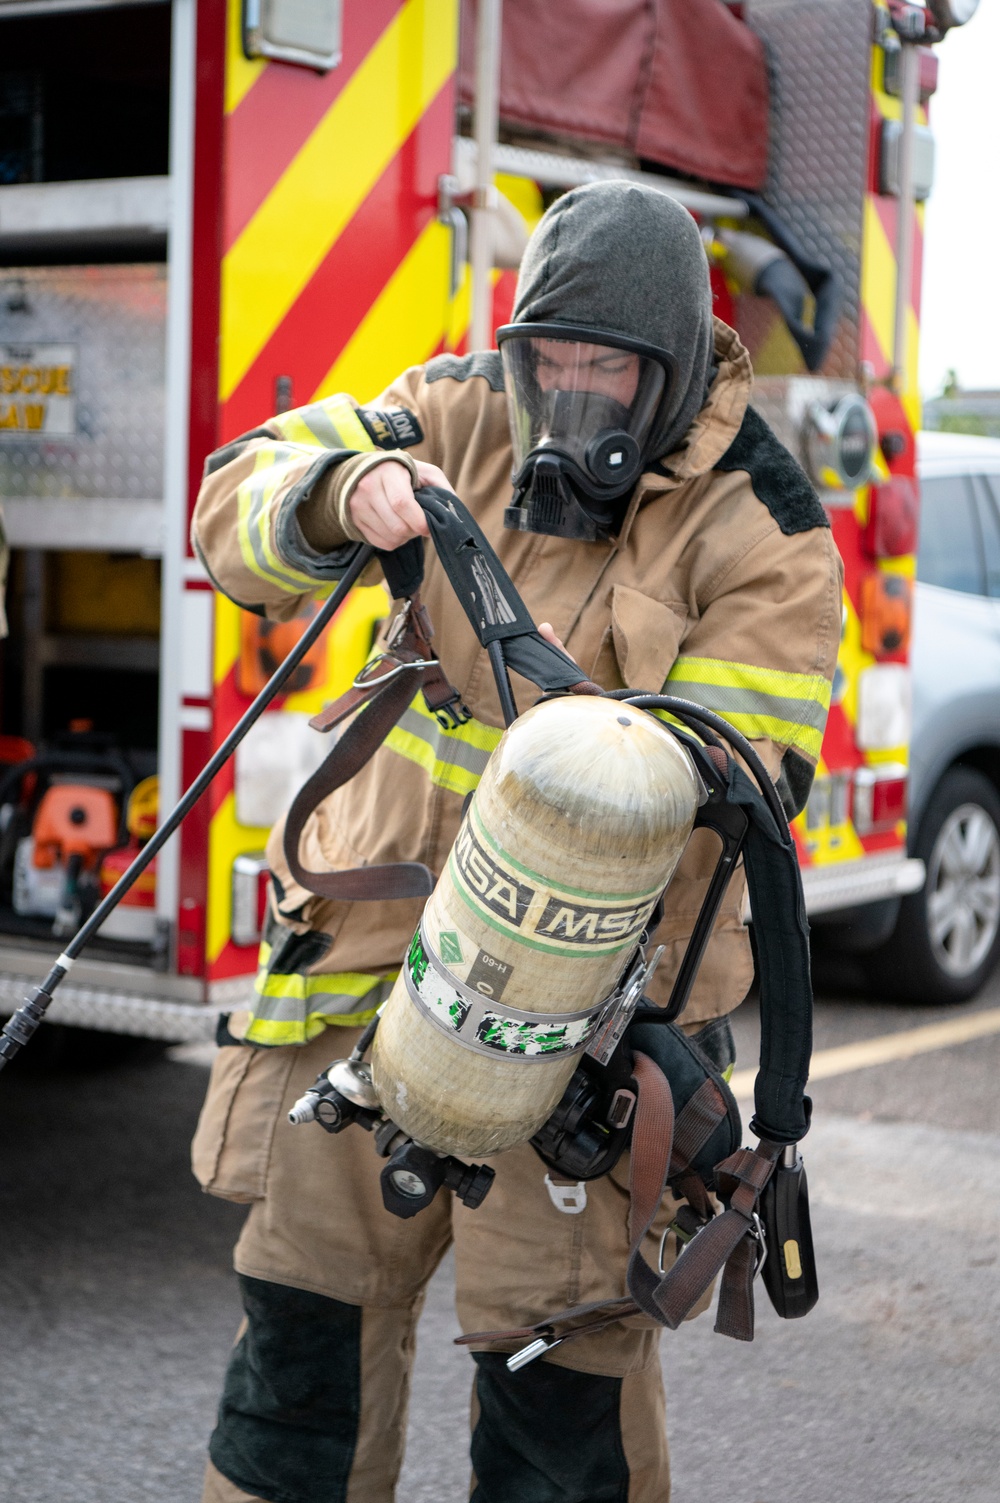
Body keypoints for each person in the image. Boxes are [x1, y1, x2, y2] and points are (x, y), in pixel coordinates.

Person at [191, 181, 842, 1503]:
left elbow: (723, 788)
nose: (574, 395)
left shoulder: (763, 529)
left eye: (609, 367)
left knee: (561, 1431)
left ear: (670, 362)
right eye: (550, 360)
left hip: (585, 1039)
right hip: (364, 985)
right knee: (294, 1381)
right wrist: (343, 488)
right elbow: (232, 504)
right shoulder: (453, 410)